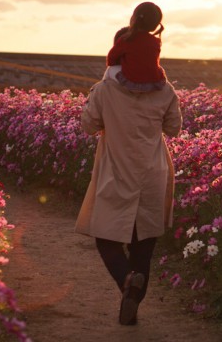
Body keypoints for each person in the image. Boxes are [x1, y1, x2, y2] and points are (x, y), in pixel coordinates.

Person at [75, 37, 182, 325]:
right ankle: (131, 303)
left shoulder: (105, 90)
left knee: (106, 239)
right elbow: (174, 129)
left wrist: (100, 93)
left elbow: (88, 125)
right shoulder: (166, 91)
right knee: (143, 247)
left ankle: (126, 281)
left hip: (116, 173)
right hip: (152, 175)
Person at [105, 2, 167, 92]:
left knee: (110, 69)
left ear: (134, 18)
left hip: (133, 84)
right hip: (153, 84)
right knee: (159, 67)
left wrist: (123, 63)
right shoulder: (156, 41)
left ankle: (105, 91)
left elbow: (111, 60)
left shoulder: (126, 39)